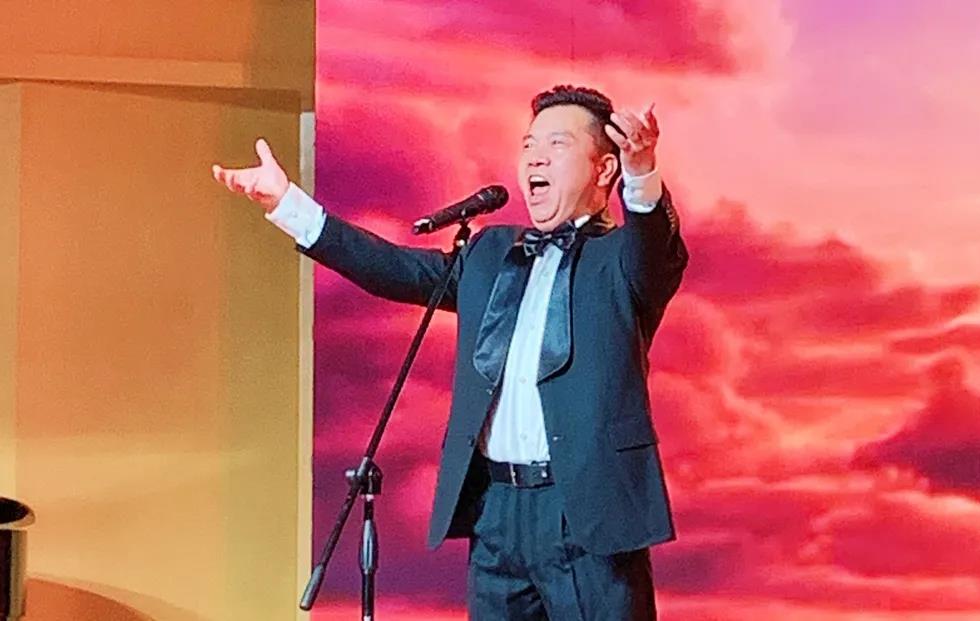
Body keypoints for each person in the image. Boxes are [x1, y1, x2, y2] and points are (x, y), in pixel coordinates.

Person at [212, 85, 688, 620]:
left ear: (604, 169)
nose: (535, 157)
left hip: (587, 510)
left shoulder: (622, 259)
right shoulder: (492, 252)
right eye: (529, 144)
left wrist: (642, 171)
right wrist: (288, 205)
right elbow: (395, 270)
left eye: (557, 144)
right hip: (497, 511)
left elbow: (654, 245)